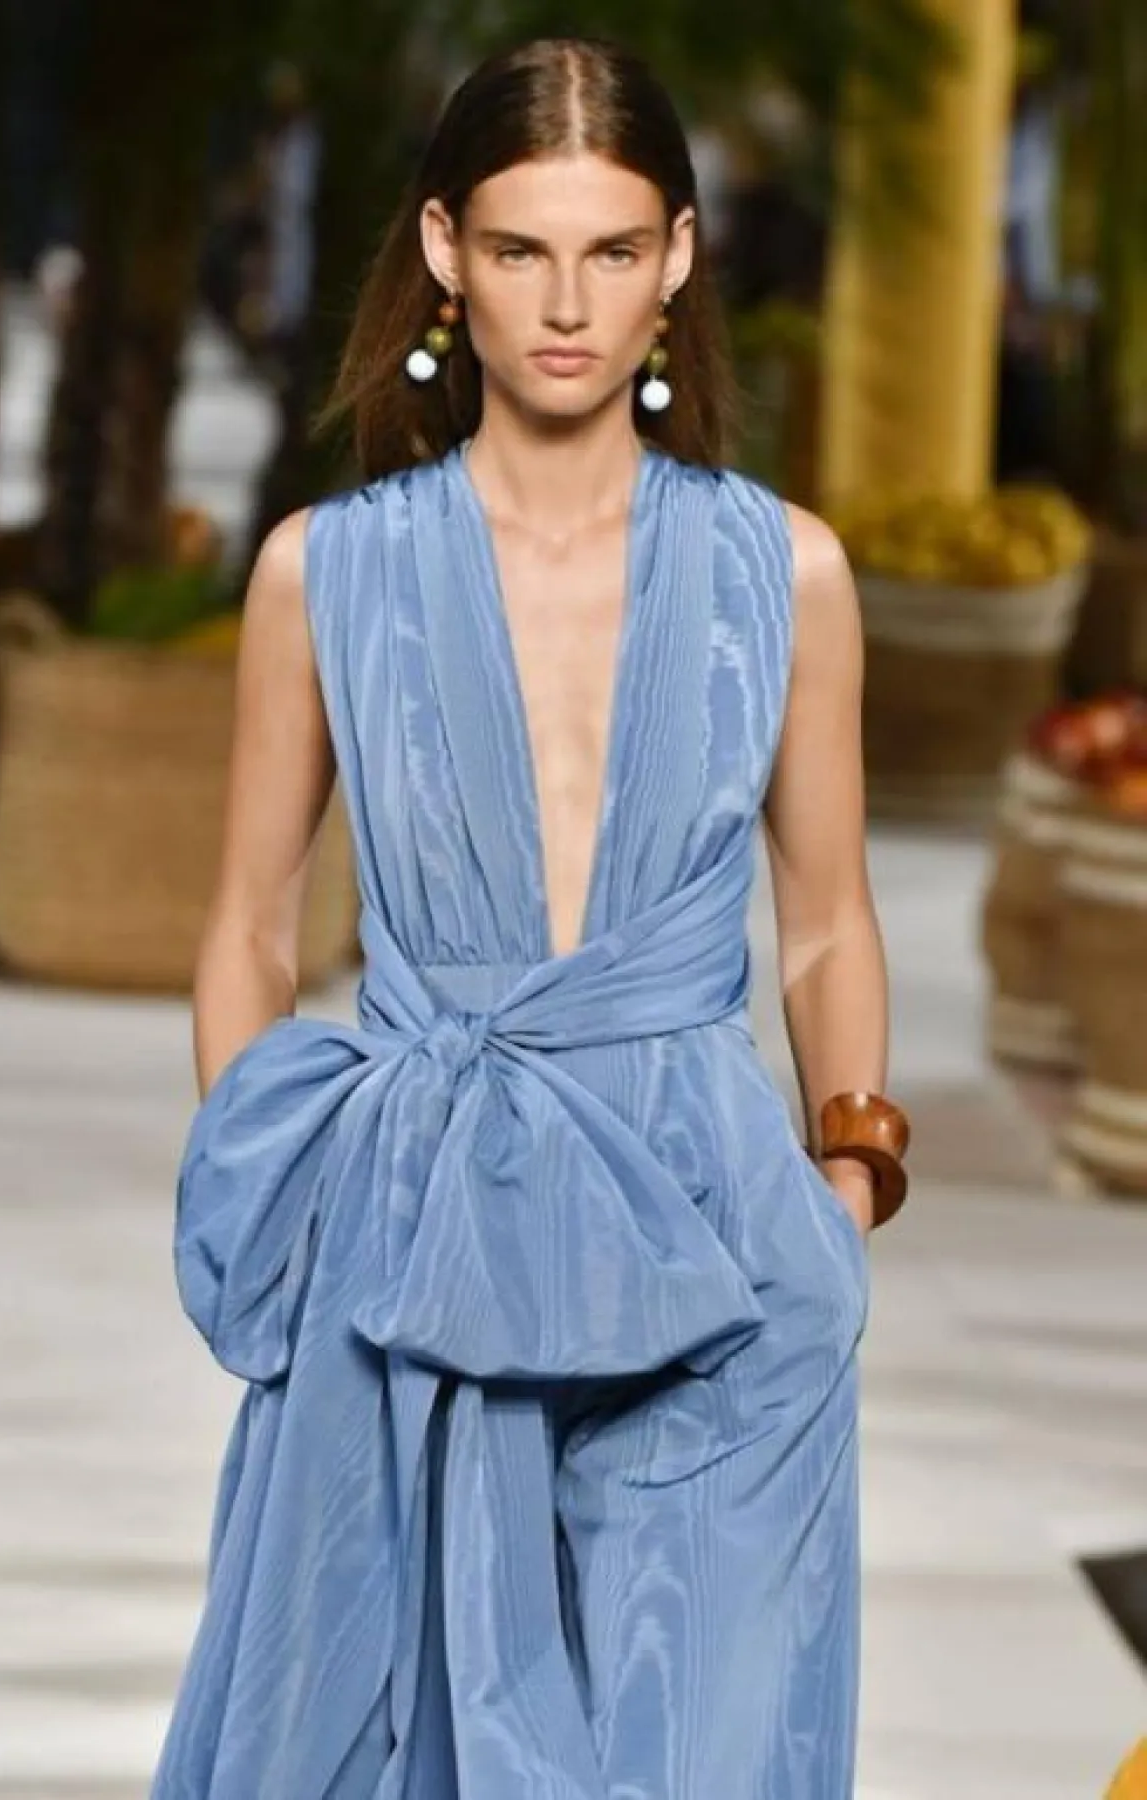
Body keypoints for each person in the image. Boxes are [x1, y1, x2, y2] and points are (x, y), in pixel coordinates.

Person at [150, 35, 910, 1800]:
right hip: (420, 1235)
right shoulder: (324, 573)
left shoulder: (786, 572)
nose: (568, 305)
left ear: (680, 257)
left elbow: (825, 918)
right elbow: (251, 920)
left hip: (717, 1245)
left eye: (613, 250)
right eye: (520, 250)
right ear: (445, 249)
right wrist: (279, 1193)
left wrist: (847, 1190)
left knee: (699, 1749)